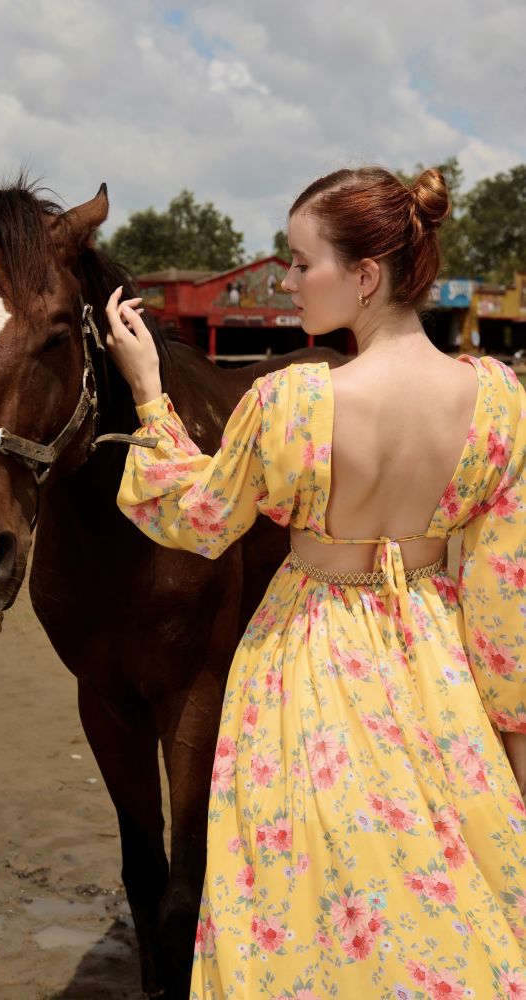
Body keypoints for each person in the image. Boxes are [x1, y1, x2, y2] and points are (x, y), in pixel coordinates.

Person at [105, 166, 526, 998]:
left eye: (302, 263)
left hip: (308, 665)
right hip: (438, 671)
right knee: (442, 904)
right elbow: (504, 592)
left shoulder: (291, 403)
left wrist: (150, 395)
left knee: (302, 910)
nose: (289, 282)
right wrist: (511, 745)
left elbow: (197, 517)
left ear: (364, 276)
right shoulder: (498, 401)